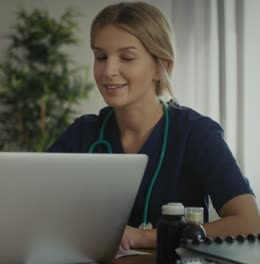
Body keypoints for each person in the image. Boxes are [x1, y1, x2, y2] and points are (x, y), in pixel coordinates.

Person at [48, 2, 260, 250]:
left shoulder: (196, 133)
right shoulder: (84, 133)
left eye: (126, 57)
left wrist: (144, 237)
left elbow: (249, 222)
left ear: (162, 67)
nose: (108, 70)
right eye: (100, 57)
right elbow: (33, 204)